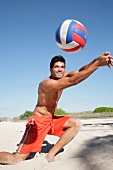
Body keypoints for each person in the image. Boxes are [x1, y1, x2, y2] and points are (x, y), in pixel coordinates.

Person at [0, 52, 113, 165]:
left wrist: (97, 59)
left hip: (51, 120)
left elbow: (80, 71)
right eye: (56, 67)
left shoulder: (62, 76)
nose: (60, 70)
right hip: (38, 123)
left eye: (62, 67)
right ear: (50, 69)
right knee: (17, 159)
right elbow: (73, 81)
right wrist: (98, 64)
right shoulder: (47, 84)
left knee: (75, 124)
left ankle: (51, 154)